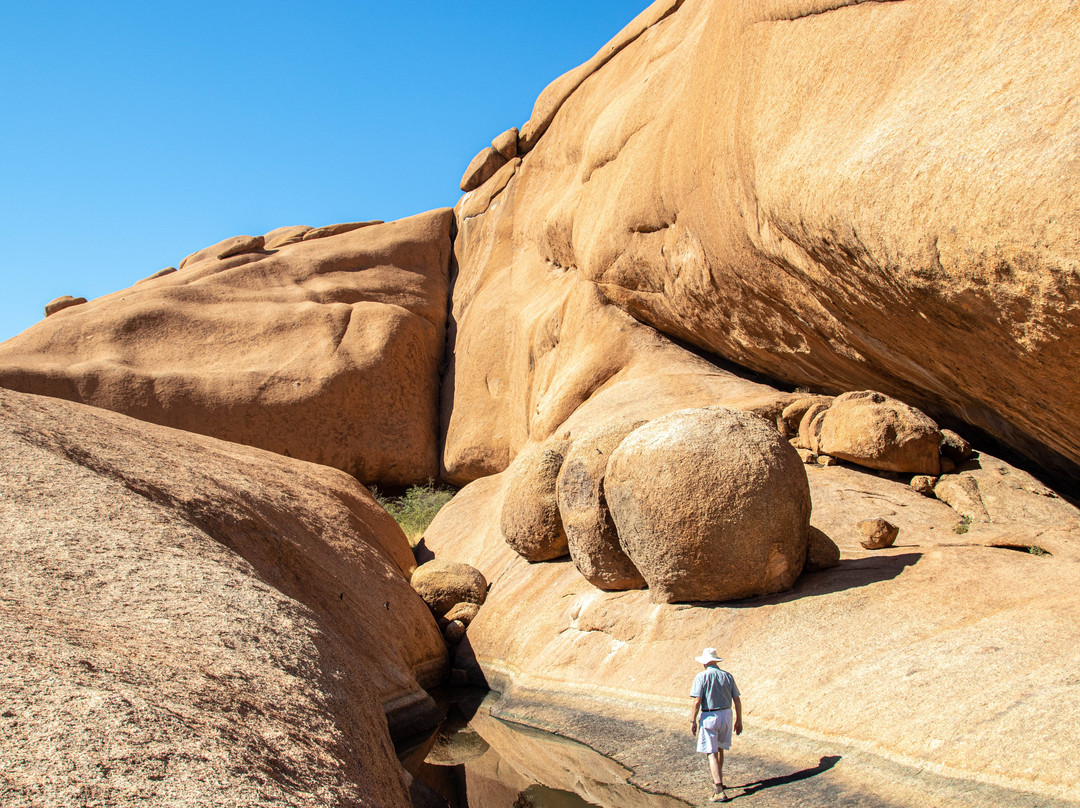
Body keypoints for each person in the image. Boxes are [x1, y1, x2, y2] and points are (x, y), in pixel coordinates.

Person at [689, 647, 742, 803]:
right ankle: (718, 780)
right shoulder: (727, 676)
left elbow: (697, 701)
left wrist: (693, 720)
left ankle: (719, 790)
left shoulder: (701, 677)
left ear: (705, 662)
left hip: (709, 715)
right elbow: (737, 699)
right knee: (720, 749)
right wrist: (739, 720)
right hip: (726, 714)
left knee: (711, 752)